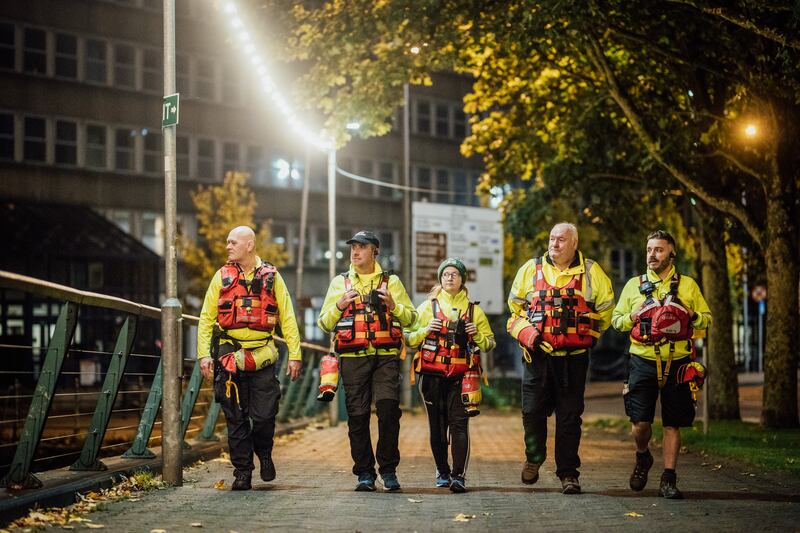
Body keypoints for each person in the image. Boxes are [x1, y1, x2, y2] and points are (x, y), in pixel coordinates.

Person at [507, 222, 614, 494]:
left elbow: (606, 308)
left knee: (569, 418)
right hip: (536, 357)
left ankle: (568, 474)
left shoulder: (591, 272)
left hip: (573, 359)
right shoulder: (530, 269)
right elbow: (515, 310)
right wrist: (529, 334)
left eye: (561, 239)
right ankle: (534, 458)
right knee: (532, 412)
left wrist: (590, 334)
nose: (554, 243)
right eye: (552, 238)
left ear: (574, 244)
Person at [197, 226, 302, 491]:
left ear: (250, 245)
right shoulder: (221, 277)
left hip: (262, 355)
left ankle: (264, 453)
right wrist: (204, 356)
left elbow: (287, 317)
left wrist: (295, 355)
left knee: (265, 416)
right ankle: (242, 471)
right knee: (235, 418)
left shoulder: (272, 277)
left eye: (233, 242)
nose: (227, 246)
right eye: (227, 242)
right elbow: (206, 319)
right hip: (229, 356)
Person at [612, 230, 711, 499]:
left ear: (671, 253)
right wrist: (631, 315)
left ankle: (669, 479)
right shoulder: (634, 284)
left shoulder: (688, 285)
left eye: (658, 250)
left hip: (677, 362)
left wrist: (690, 313)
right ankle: (643, 456)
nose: (652, 255)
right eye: (649, 250)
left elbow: (706, 319)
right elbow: (616, 320)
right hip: (642, 360)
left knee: (672, 424)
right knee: (640, 424)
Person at [317, 230, 417, 492]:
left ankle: (388, 469)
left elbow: (412, 319)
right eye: (353, 247)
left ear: (375, 251)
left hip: (385, 357)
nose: (355, 251)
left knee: (388, 411)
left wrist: (394, 306)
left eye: (362, 247)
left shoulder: (391, 281)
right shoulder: (340, 283)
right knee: (358, 417)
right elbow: (324, 322)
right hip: (352, 359)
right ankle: (364, 473)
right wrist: (339, 305)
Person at [405, 257, 495, 493]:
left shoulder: (474, 311)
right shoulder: (427, 308)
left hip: (462, 377)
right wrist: (425, 330)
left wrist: (477, 336)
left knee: (459, 426)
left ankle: (458, 476)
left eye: (455, 274)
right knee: (437, 427)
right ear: (440, 279)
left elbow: (489, 344)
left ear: (462, 279)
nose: (450, 277)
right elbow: (407, 336)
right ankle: (442, 471)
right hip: (431, 376)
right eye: (446, 274)